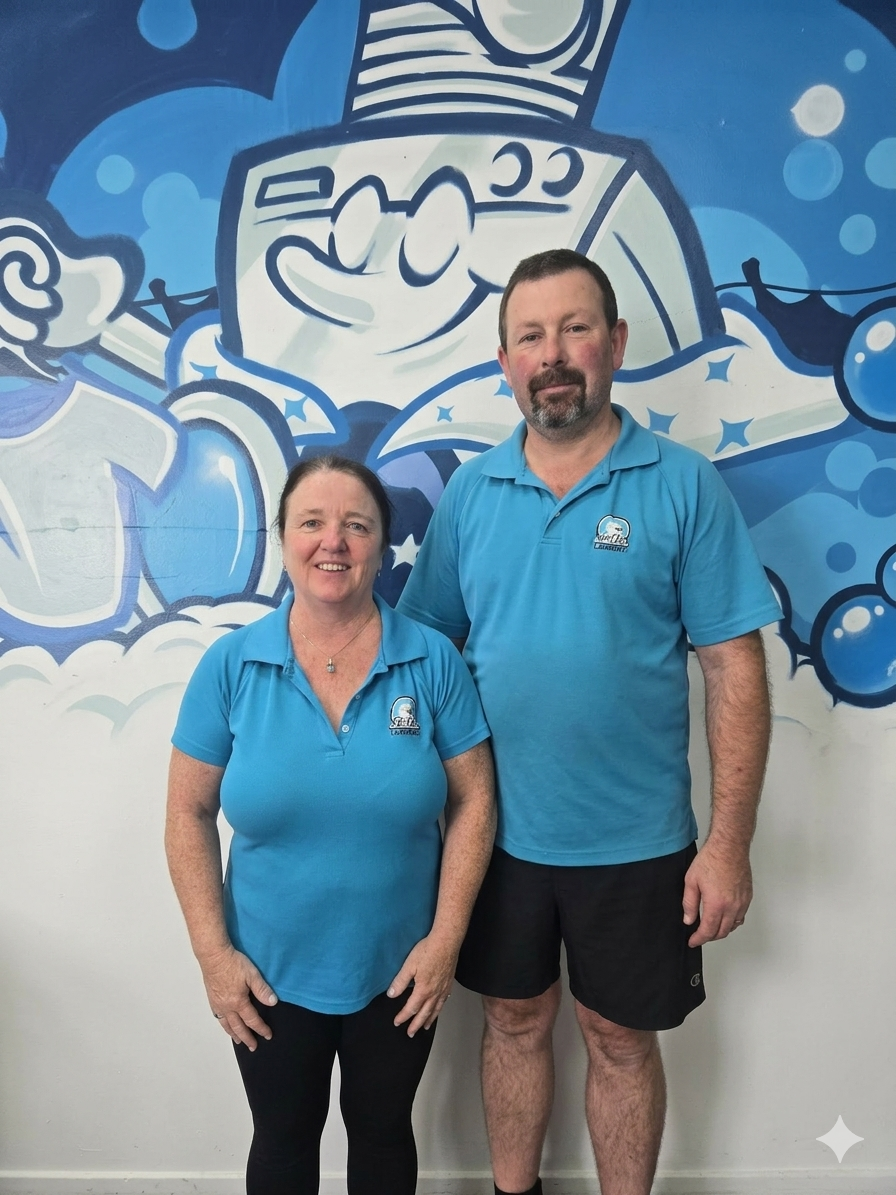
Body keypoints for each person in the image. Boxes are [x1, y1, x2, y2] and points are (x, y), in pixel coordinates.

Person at [397, 249, 780, 1195]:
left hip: (639, 841)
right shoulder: (471, 496)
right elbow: (427, 658)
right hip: (493, 837)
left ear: (614, 341)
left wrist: (728, 844)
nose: (553, 354)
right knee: (513, 1021)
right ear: (505, 361)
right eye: (531, 336)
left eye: (574, 329)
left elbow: (733, 667)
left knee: (619, 1038)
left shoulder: (682, 485)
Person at [165, 455, 495, 1195]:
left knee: (383, 1132)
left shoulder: (432, 662)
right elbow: (187, 811)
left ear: (382, 544)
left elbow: (474, 800)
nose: (333, 541)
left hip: (400, 968)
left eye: (357, 525)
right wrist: (214, 956)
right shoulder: (230, 665)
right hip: (266, 972)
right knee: (282, 1138)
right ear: (283, 537)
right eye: (312, 522)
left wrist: (445, 941)